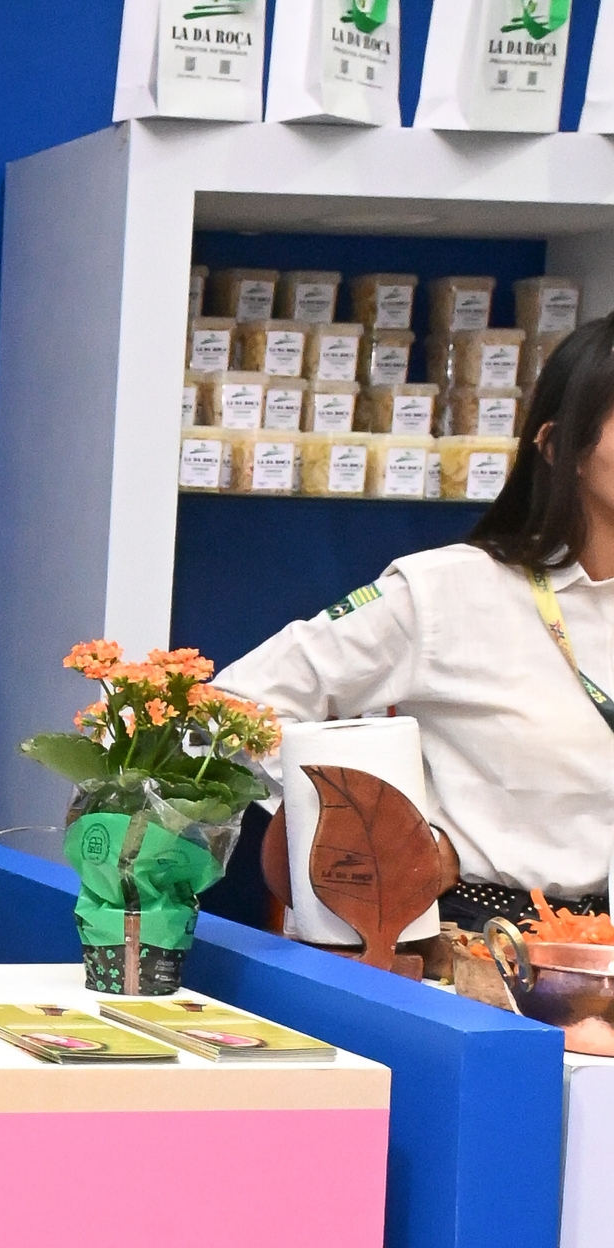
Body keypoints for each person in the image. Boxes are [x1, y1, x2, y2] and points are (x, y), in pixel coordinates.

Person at [216, 314, 614, 927]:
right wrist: (373, 829)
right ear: (559, 446)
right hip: (484, 938)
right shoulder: (453, 589)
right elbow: (236, 706)